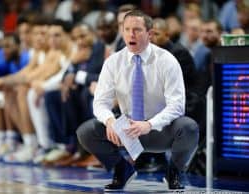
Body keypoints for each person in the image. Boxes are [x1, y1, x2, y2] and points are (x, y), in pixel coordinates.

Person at [77, 10, 199, 191]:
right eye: (126, 29)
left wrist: (148, 124)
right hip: (127, 131)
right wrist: (110, 121)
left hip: (160, 129)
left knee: (188, 127)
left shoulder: (167, 61)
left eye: (137, 30)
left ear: (150, 34)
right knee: (86, 131)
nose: (130, 35)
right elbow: (100, 102)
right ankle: (122, 169)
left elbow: (177, 106)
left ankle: (174, 171)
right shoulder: (113, 62)